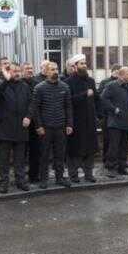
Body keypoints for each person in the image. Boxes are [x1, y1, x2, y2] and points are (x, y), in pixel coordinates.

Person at [30, 61, 73, 189]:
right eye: (52, 69)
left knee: (60, 154)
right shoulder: (39, 88)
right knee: (44, 155)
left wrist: (69, 124)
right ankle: (44, 179)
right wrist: (38, 126)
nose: (55, 71)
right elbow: (35, 109)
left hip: (60, 127)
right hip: (45, 128)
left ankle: (59, 178)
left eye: (56, 69)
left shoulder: (65, 87)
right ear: (46, 71)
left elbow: (68, 107)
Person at [0, 63, 32, 193]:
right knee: (4, 159)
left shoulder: (25, 86)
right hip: (4, 128)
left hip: (21, 128)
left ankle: (20, 181)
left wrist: (29, 116)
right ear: (8, 72)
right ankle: (4, 183)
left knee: (20, 159)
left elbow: (31, 103)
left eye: (19, 71)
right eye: (15, 71)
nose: (18, 73)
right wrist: (6, 81)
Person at [65, 55, 101, 183]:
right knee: (75, 150)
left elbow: (96, 99)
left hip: (90, 120)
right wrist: (84, 94)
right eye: (81, 63)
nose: (84, 65)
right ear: (75, 66)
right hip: (76, 121)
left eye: (85, 63)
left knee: (90, 149)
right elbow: (69, 101)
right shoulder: (68, 82)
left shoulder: (90, 81)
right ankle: (73, 175)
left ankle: (88, 174)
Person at [101, 67, 128, 178]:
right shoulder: (112, 86)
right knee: (114, 146)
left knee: (125, 147)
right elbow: (103, 99)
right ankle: (110, 168)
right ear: (121, 75)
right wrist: (114, 109)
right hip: (116, 123)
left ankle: (122, 167)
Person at [22, 62, 41, 183]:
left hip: (35, 123)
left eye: (31, 68)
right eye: (27, 68)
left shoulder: (37, 84)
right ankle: (21, 177)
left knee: (35, 151)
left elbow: (38, 104)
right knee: (22, 153)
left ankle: (34, 176)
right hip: (22, 123)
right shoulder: (20, 84)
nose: (30, 70)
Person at [98, 64, 121, 167]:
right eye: (117, 71)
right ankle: (106, 160)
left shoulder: (122, 83)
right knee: (107, 139)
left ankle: (116, 160)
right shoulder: (105, 82)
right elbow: (100, 98)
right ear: (113, 71)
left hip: (118, 116)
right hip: (107, 115)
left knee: (117, 140)